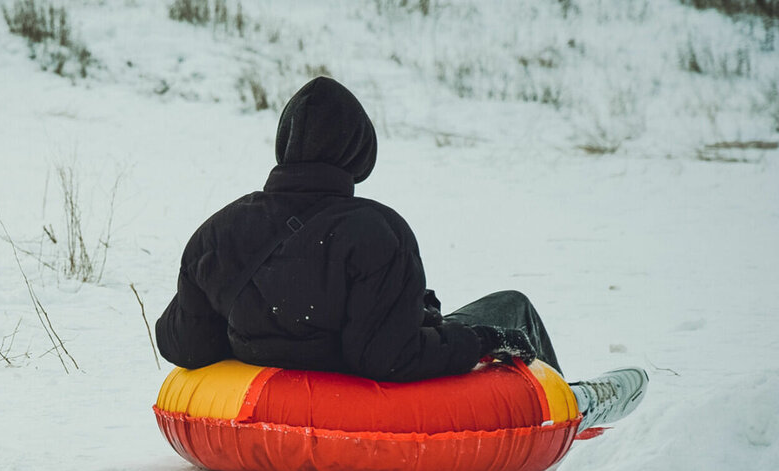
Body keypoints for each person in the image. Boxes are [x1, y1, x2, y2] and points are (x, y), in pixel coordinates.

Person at [156, 76, 646, 430]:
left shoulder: (218, 231)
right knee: (511, 305)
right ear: (357, 151)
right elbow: (386, 357)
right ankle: (566, 408)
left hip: (266, 397)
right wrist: (477, 339)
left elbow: (184, 344)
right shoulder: (375, 231)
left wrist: (258, 321)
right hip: (372, 395)